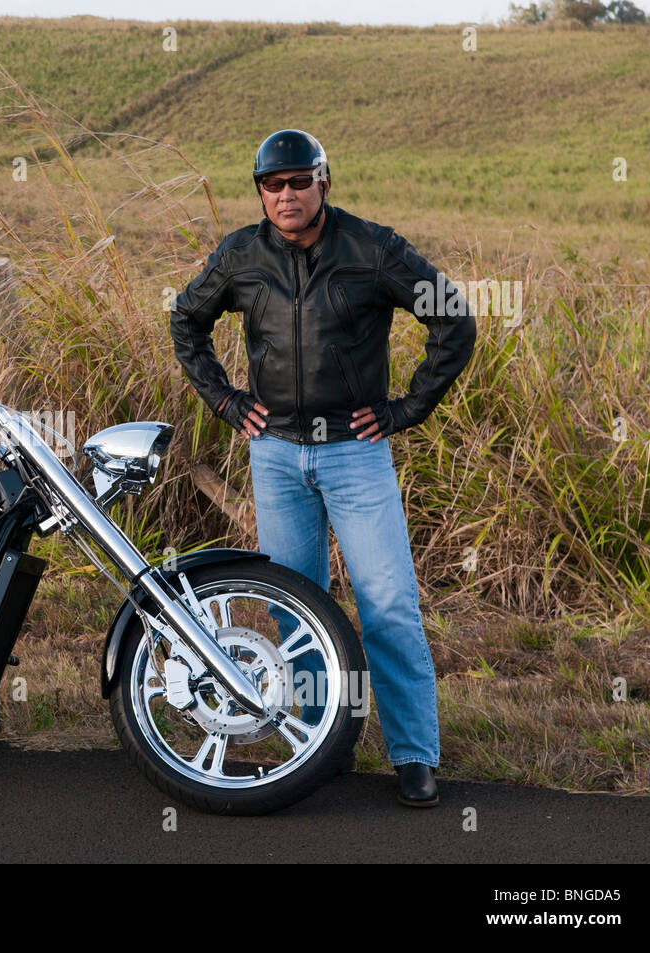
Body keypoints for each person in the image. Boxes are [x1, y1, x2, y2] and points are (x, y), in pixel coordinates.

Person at [169, 129, 477, 807]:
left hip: (354, 449)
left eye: (298, 181)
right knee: (299, 607)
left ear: (323, 183)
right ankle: (321, 742)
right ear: (261, 194)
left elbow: (454, 320)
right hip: (274, 451)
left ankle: (415, 756)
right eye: (272, 185)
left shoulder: (373, 248)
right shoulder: (241, 255)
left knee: (388, 603)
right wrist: (223, 398)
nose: (286, 195)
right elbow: (186, 320)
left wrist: (406, 409)